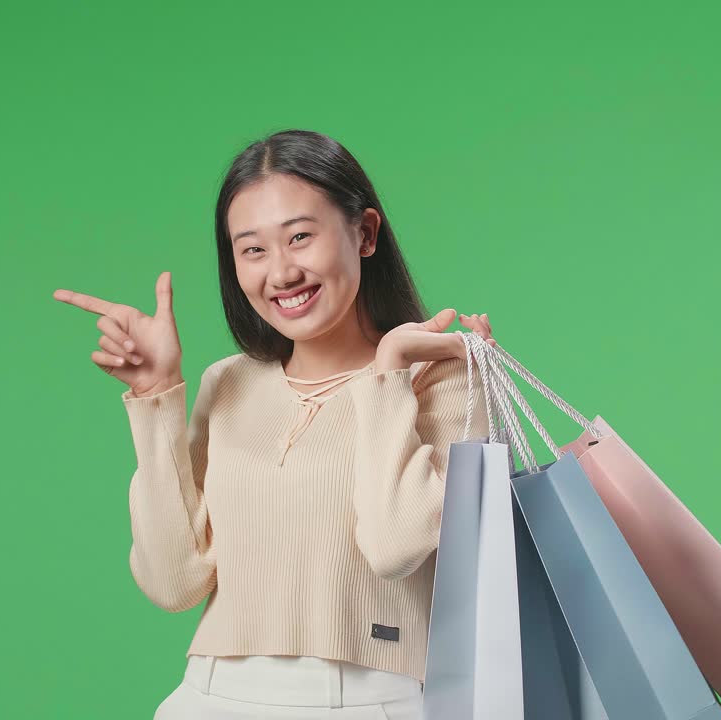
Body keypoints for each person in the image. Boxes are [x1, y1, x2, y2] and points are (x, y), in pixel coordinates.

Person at [54, 129, 494, 719]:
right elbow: (174, 582)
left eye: (301, 238)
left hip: (369, 701)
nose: (282, 272)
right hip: (209, 698)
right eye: (253, 250)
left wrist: (389, 369)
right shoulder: (227, 383)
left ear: (364, 234)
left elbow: (395, 547)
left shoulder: (440, 379)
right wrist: (157, 398)